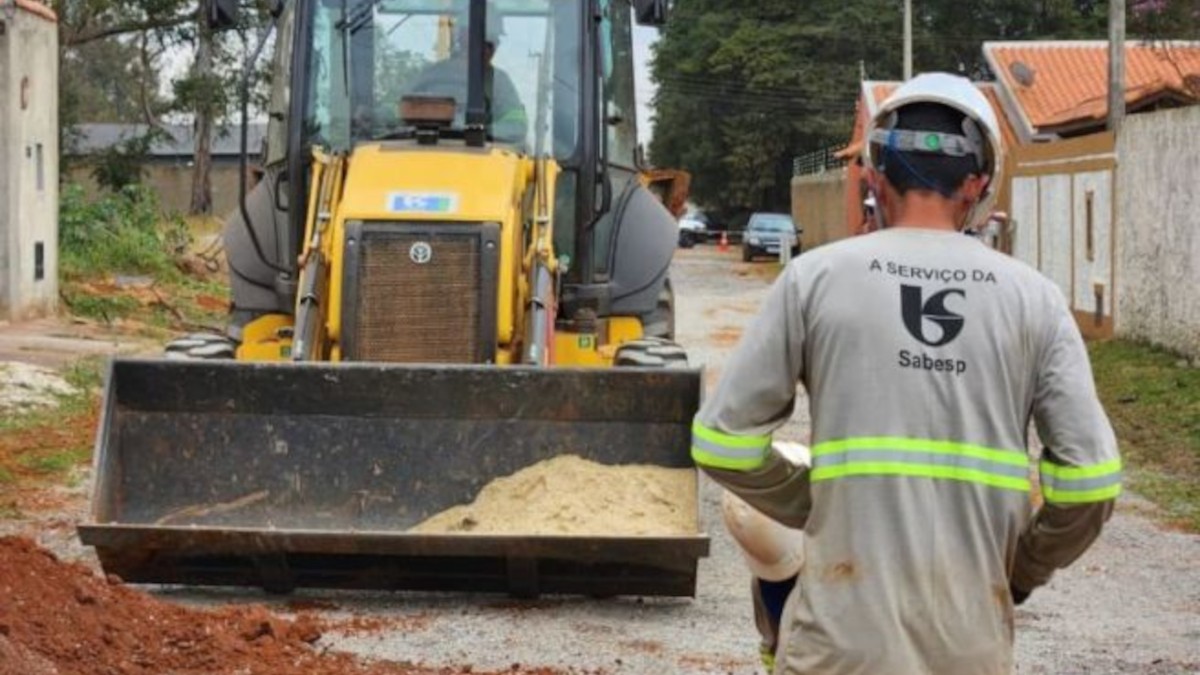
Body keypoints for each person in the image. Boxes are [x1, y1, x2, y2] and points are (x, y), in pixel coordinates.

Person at [691, 72, 1121, 674]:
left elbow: (720, 441)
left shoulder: (815, 279)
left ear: (874, 175)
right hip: (970, 648)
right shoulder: (1035, 299)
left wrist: (817, 503)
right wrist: (1024, 568)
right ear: (977, 183)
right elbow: (1093, 481)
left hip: (837, 648)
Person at [404, 14, 528, 144]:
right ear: (462, 36)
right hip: (425, 149)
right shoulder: (430, 75)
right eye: (486, 39)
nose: (491, 46)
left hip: (485, 156)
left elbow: (516, 126)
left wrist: (477, 131)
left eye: (493, 39)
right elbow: (390, 113)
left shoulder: (499, 82)